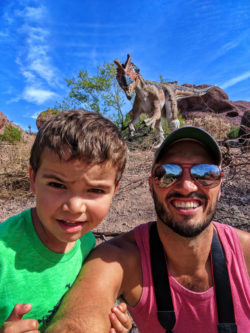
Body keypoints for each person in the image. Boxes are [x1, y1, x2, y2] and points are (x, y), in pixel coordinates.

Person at [44, 126, 250, 333]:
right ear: (151, 186)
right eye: (168, 173)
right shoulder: (120, 258)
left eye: (205, 173)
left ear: (220, 186)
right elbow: (78, 320)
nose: (187, 186)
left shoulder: (246, 253)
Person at [0, 110, 132, 333]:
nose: (74, 207)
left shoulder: (86, 243)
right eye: (57, 185)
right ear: (33, 179)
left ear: (114, 190)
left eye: (95, 190)